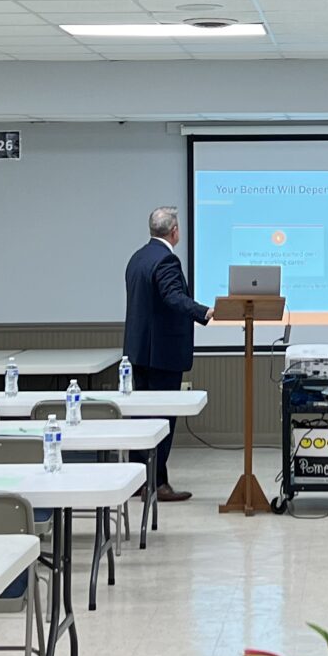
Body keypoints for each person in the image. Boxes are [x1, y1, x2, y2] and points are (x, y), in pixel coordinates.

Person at [123, 204, 209, 502]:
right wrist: (204, 312)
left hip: (139, 353)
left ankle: (138, 480)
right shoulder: (166, 261)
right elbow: (173, 297)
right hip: (163, 355)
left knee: (141, 420)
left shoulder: (138, 258)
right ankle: (157, 483)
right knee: (161, 421)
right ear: (175, 232)